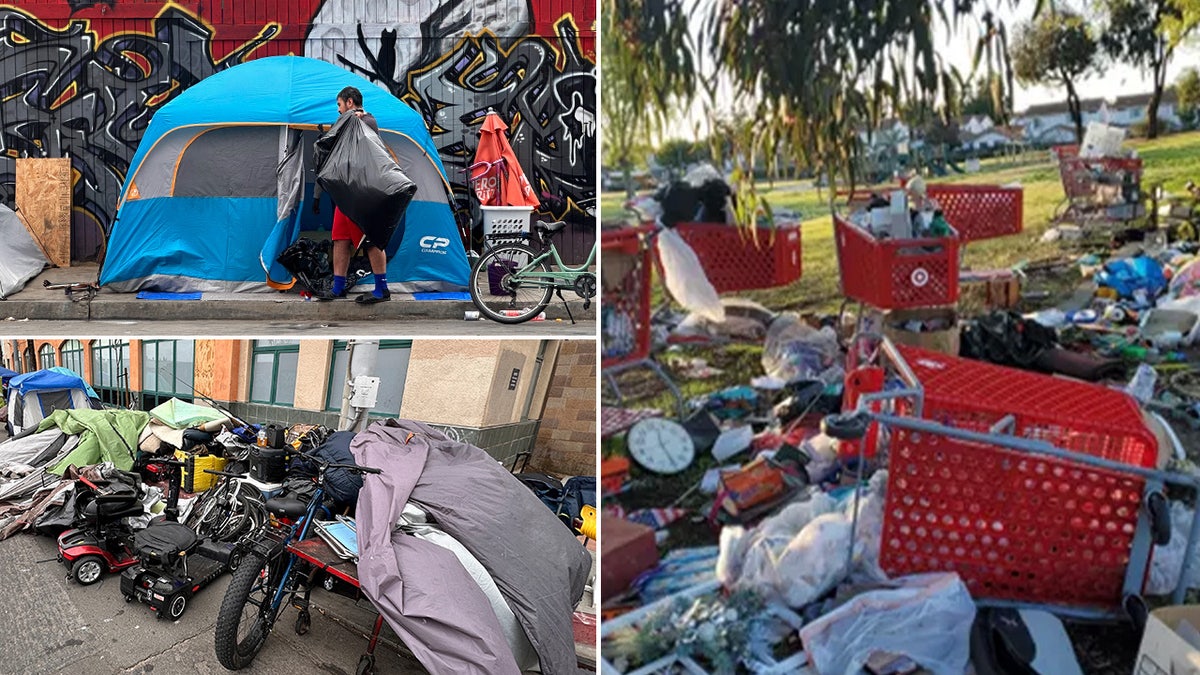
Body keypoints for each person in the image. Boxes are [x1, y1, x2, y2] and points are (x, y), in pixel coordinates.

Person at [321, 86, 391, 304]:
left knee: (371, 241)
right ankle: (338, 287)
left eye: (340, 105)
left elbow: (366, 127)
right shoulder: (348, 122)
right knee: (340, 240)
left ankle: (382, 289)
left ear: (350, 103)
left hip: (362, 193)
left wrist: (355, 119)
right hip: (346, 193)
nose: (338, 111)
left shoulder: (367, 121)